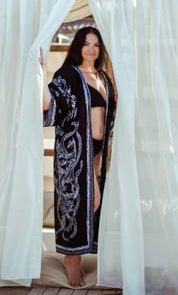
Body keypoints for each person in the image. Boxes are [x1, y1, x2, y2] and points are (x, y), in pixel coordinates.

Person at [41, 26, 116, 288]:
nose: (91, 49)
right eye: (86, 44)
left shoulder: (103, 77)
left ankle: (80, 257)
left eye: (96, 44)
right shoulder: (67, 76)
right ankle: (71, 263)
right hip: (74, 154)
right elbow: (48, 107)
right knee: (77, 205)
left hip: (97, 152)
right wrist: (40, 74)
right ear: (77, 46)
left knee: (95, 204)